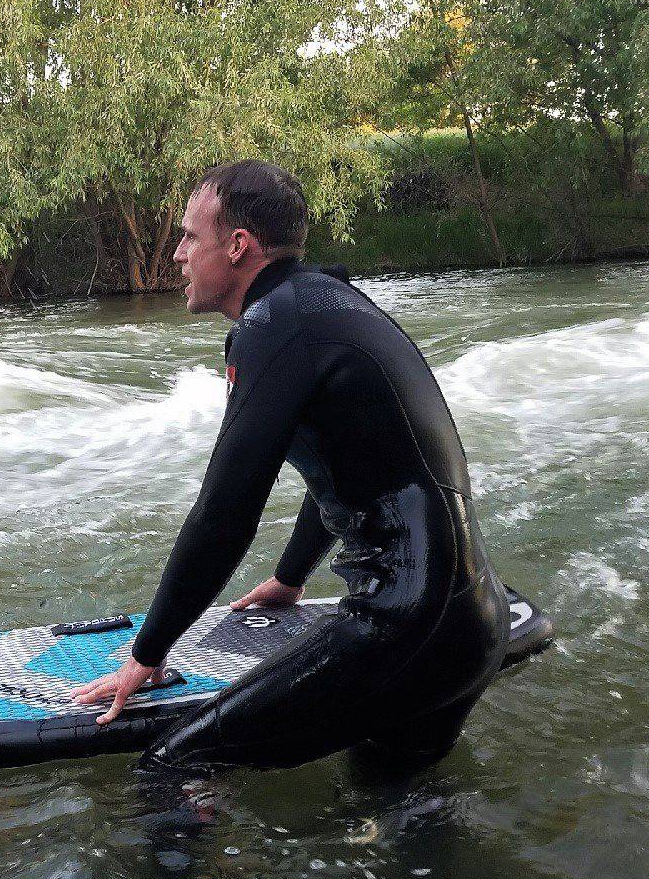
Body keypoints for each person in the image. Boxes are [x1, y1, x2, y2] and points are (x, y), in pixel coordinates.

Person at [70, 159, 509, 771]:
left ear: (238, 246)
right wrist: (290, 577)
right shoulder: (326, 305)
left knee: (171, 764)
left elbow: (224, 514)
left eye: (190, 236)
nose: (177, 254)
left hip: (402, 621)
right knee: (394, 802)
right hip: (469, 618)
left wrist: (148, 654)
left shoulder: (274, 326)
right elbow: (348, 468)